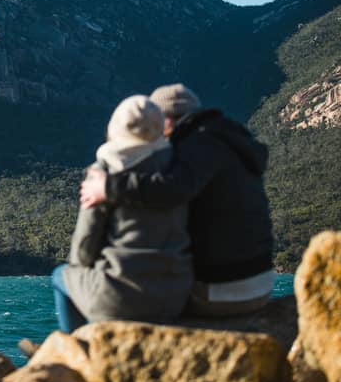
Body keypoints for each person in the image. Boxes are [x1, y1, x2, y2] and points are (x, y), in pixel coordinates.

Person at [80, 83, 274, 316]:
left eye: (156, 124)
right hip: (261, 283)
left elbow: (171, 188)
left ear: (167, 120)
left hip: (220, 290)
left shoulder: (198, 144)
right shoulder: (227, 138)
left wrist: (108, 186)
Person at [53, 95, 193, 331]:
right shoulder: (178, 169)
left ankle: (77, 346)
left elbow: (84, 246)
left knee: (61, 275)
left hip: (120, 298)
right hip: (174, 296)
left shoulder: (104, 173)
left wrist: (84, 267)